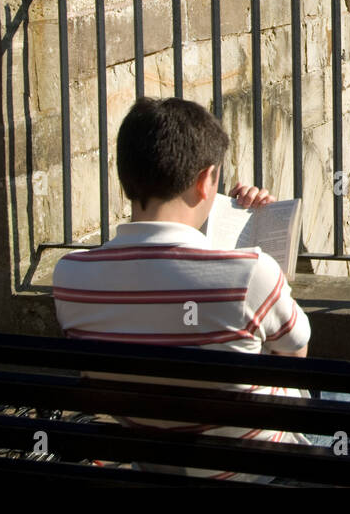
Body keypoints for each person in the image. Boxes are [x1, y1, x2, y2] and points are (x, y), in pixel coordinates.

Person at [53, 96, 324, 482]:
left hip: (152, 465)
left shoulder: (70, 277)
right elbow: (295, 363)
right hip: (256, 472)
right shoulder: (252, 274)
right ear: (204, 180)